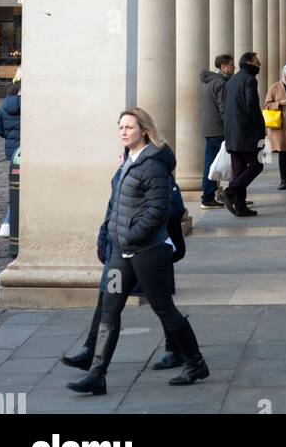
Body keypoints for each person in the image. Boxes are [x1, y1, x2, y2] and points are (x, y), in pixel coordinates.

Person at [66, 108, 208, 395]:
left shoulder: (153, 165)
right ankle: (97, 373)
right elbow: (117, 204)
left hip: (148, 252)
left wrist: (131, 234)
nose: (123, 131)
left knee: (164, 310)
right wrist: (110, 235)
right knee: (110, 307)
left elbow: (159, 209)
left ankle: (196, 363)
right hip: (122, 252)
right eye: (120, 126)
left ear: (144, 130)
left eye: (129, 127)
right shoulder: (127, 163)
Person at [62, 140, 188, 375]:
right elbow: (113, 209)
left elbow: (174, 209)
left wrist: (137, 225)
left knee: (161, 304)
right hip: (120, 253)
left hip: (148, 251)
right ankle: (92, 352)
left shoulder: (156, 171)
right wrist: (104, 235)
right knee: (107, 300)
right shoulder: (122, 173)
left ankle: (179, 351)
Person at [222, 51, 265, 217]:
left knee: (239, 170)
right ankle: (230, 191)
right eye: (257, 61)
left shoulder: (232, 80)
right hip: (246, 133)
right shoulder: (250, 80)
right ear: (250, 63)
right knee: (256, 165)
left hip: (232, 132)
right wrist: (260, 125)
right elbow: (251, 106)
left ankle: (240, 207)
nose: (259, 64)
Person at [199, 54, 234, 209]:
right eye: (232, 65)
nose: (234, 67)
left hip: (209, 128)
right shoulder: (220, 83)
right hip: (219, 129)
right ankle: (230, 196)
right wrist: (231, 128)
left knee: (211, 163)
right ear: (224, 67)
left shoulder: (208, 83)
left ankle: (208, 196)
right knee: (232, 162)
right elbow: (223, 108)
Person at [263, 63, 286, 190]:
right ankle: (283, 179)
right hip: (281, 125)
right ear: (284, 75)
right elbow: (267, 105)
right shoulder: (275, 87)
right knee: (283, 152)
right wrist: (280, 103)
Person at [0, 81, 20, 237]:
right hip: (26, 153)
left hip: (12, 153)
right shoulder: (29, 106)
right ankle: (7, 223)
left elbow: (0, 130)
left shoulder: (4, 107)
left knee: (15, 188)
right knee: (19, 190)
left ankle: (8, 224)